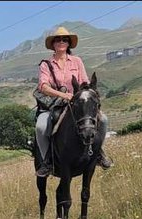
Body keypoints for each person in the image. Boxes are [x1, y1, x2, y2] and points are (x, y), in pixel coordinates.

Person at [35, 26, 113, 177]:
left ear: (69, 43)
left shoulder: (77, 61)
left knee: (103, 120)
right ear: (53, 44)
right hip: (55, 104)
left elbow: (84, 81)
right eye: (58, 39)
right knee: (41, 127)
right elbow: (43, 87)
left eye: (65, 39)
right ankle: (47, 161)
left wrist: (86, 95)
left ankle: (99, 153)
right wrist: (63, 96)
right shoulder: (46, 64)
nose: (61, 42)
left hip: (78, 103)